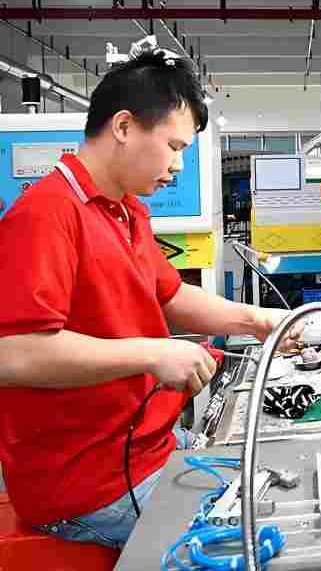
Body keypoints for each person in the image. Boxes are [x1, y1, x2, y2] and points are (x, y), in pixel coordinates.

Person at [0, 50, 301, 549]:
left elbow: (170, 296)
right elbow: (15, 354)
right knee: (258, 541)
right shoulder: (45, 215)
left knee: (277, 484)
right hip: (89, 481)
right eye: (173, 146)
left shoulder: (126, 211)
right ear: (123, 126)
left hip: (145, 446)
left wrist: (258, 320)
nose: (179, 166)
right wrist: (153, 353)